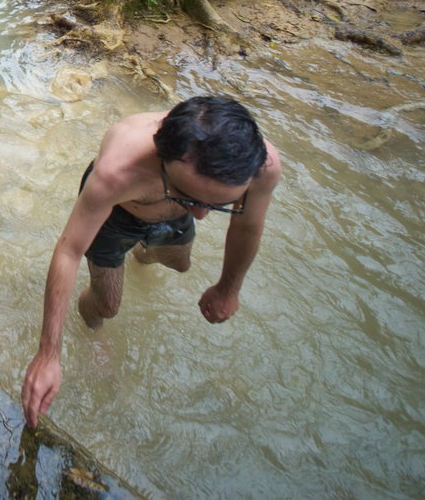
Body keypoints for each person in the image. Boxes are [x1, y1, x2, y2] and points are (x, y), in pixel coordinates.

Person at [21, 96, 281, 428]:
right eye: (189, 196)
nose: (201, 216)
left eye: (219, 204)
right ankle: (93, 326)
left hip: (167, 216)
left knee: (179, 263)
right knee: (108, 304)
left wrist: (228, 288)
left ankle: (142, 250)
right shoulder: (119, 168)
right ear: (161, 159)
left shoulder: (263, 167)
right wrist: (48, 354)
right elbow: (69, 250)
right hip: (116, 216)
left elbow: (247, 225)